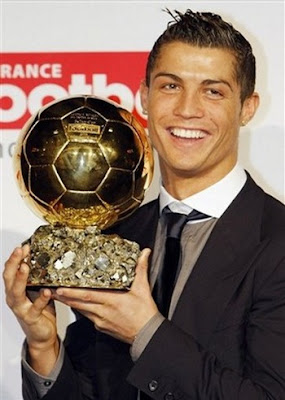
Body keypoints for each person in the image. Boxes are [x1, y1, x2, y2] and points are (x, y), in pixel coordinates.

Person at [3, 8, 285, 400]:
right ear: (145, 97)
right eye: (170, 86)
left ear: (248, 107)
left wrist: (145, 332)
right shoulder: (115, 236)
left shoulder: (276, 242)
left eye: (213, 91)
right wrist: (44, 346)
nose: (187, 109)